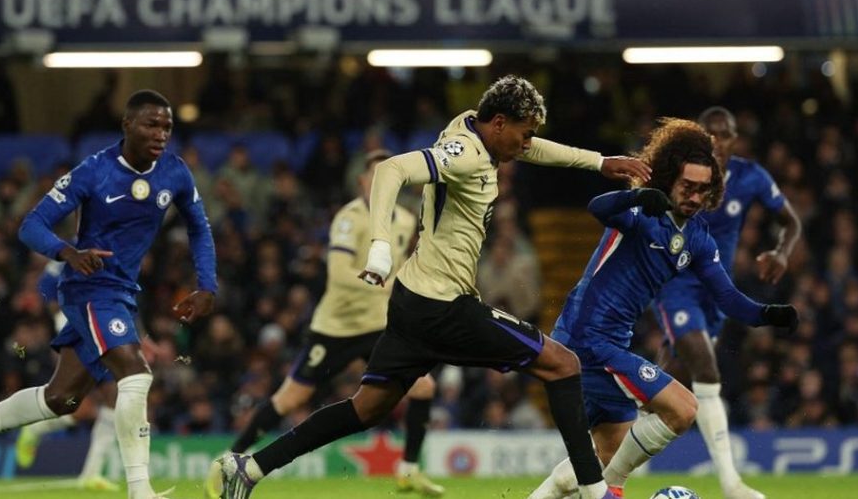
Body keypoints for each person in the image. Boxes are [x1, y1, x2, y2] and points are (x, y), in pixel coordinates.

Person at [206, 75, 652, 499]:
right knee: (562, 364)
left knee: (367, 408)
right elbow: (390, 170)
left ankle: (251, 468)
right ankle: (594, 491)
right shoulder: (465, 154)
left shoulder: (470, 126)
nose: (526, 143)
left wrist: (597, 161)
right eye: (523, 132)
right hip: (444, 307)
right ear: (498, 123)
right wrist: (380, 245)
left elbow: (533, 150)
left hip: (411, 301)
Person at [0, 90, 217, 499]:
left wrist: (207, 284)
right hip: (89, 289)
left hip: (121, 292)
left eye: (167, 126)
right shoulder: (94, 171)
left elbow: (199, 228)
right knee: (135, 375)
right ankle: (140, 492)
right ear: (128, 125)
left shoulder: (175, 172)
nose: (161, 134)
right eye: (152, 124)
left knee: (61, 399)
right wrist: (67, 252)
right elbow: (32, 224)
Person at [528, 118, 798, 499]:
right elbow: (597, 206)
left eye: (703, 190)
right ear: (670, 178)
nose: (693, 196)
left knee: (601, 459)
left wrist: (767, 314)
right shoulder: (642, 214)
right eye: (687, 186)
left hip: (613, 343)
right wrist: (638, 196)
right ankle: (614, 489)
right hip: (587, 339)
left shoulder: (699, 239)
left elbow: (727, 297)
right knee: (683, 409)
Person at [229, 149, 444, 496]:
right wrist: (388, 284)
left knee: (424, 388)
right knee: (290, 398)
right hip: (335, 328)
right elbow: (340, 274)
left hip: (377, 325)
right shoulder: (349, 218)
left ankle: (408, 470)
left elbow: (403, 266)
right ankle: (231, 459)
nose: (380, 184)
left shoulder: (404, 220)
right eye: (374, 176)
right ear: (361, 181)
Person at [651, 106, 801, 499]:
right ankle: (731, 484)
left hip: (716, 290)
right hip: (676, 283)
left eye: (726, 134)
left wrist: (782, 252)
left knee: (669, 381)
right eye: (710, 134)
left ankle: (603, 456)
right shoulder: (678, 173)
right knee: (704, 364)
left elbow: (791, 221)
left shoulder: (750, 177)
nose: (718, 141)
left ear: (736, 139)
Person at [14, 259, 120, 492]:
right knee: (73, 402)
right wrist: (64, 324)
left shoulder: (112, 249)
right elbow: (47, 285)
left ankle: (91, 473)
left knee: (106, 400)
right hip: (77, 331)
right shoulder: (71, 252)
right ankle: (34, 429)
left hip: (102, 330)